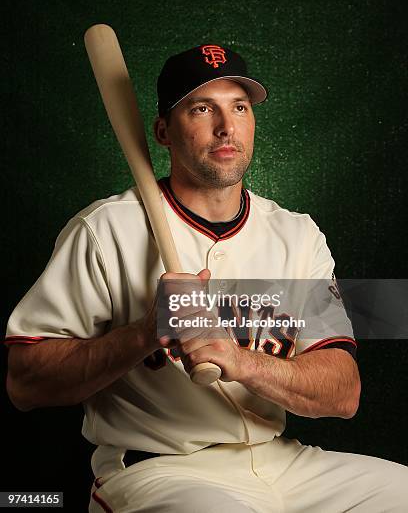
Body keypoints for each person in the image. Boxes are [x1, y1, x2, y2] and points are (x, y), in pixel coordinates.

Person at [5, 44, 408, 512]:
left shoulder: (297, 235)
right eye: (202, 109)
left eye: (239, 107)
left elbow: (343, 392)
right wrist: (145, 332)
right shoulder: (104, 229)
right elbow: (24, 383)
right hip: (161, 469)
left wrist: (241, 360)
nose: (226, 126)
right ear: (162, 132)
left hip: (282, 462)